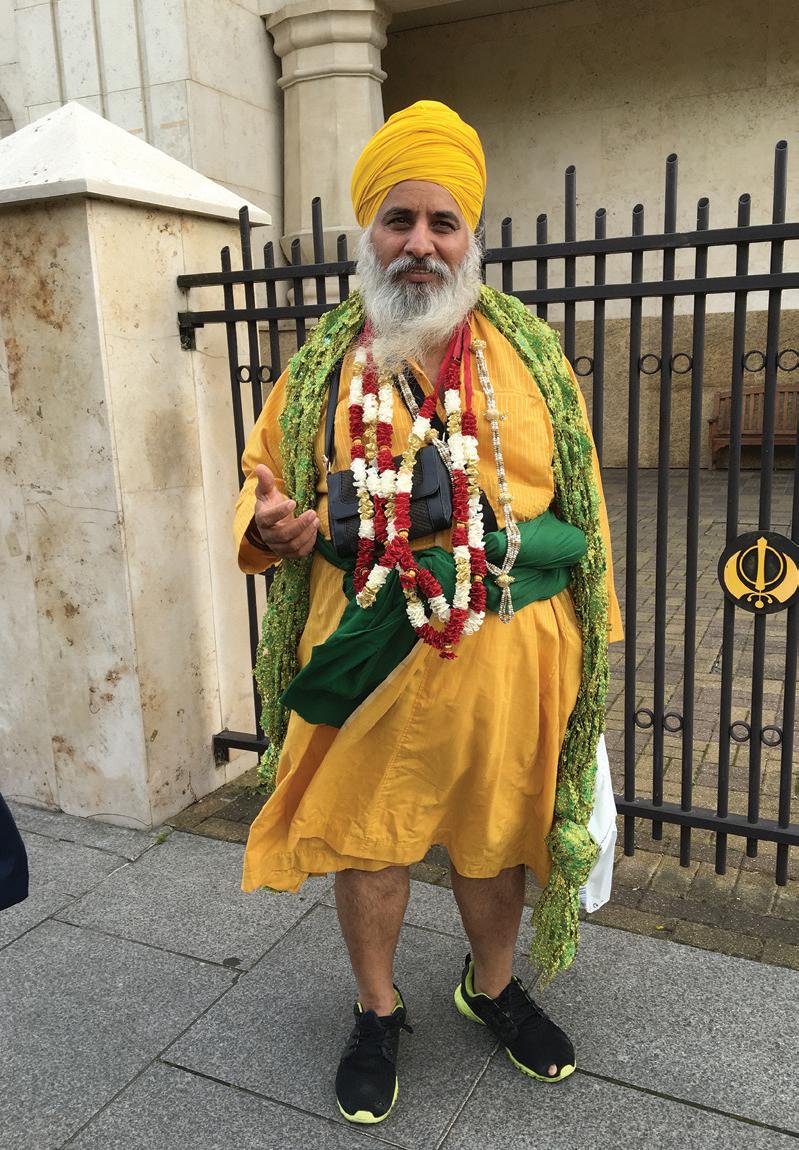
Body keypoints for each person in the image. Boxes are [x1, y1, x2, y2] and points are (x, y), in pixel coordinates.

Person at [234, 100, 623, 1125]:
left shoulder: (532, 358)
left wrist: (592, 646)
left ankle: (490, 987)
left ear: (469, 236)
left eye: (441, 222)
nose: (419, 243)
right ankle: (377, 1008)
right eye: (398, 220)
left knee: (496, 836)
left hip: (507, 649)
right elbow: (263, 478)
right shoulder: (318, 367)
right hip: (367, 645)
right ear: (368, 233)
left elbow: (581, 509)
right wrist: (270, 524)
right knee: (368, 841)